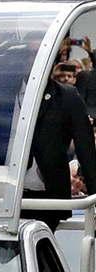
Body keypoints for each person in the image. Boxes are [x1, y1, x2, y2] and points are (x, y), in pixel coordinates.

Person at [21, 78, 96, 231]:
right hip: (10, 192)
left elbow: (85, 149)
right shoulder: (7, 93)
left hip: (50, 194)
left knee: (40, 248)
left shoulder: (67, 95)